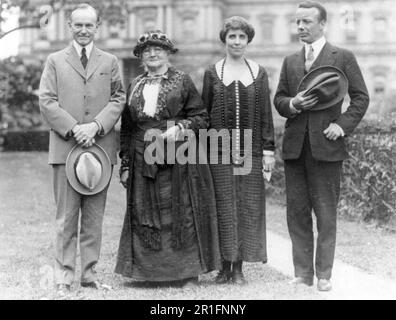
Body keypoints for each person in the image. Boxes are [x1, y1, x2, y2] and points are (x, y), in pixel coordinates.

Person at [273, 1, 369, 291]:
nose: (300, 27)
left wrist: (341, 125)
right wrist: (292, 103)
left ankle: (324, 275)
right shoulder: (290, 60)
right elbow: (279, 100)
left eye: (306, 22)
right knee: (297, 213)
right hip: (295, 149)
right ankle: (302, 274)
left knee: (326, 215)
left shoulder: (343, 56)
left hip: (327, 148)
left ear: (323, 24)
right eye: (297, 22)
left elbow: (361, 97)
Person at [114, 30, 221, 285]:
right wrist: (126, 164)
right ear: (141, 56)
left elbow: (202, 117)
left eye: (158, 49)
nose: (153, 53)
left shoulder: (182, 80)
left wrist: (180, 128)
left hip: (178, 153)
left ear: (167, 53)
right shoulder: (135, 85)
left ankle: (184, 272)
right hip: (143, 155)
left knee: (180, 209)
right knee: (145, 209)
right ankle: (147, 274)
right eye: (147, 50)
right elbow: (128, 128)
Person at [39, 3, 125, 296]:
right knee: (66, 217)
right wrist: (75, 128)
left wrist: (96, 126)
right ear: (70, 26)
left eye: (89, 25)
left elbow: (118, 98)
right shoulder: (54, 60)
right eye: (79, 25)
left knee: (93, 218)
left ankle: (88, 276)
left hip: (100, 149)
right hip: (66, 148)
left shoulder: (110, 60)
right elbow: (47, 101)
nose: (84, 30)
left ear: (97, 27)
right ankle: (64, 277)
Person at [202, 16, 275, 285]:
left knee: (246, 205)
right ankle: (224, 266)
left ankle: (239, 267)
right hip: (218, 150)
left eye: (241, 37)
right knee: (222, 205)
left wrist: (268, 150)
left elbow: (265, 113)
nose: (236, 41)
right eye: (232, 36)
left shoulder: (259, 72)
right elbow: (204, 114)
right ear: (225, 39)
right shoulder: (213, 72)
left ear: (248, 40)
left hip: (250, 149)